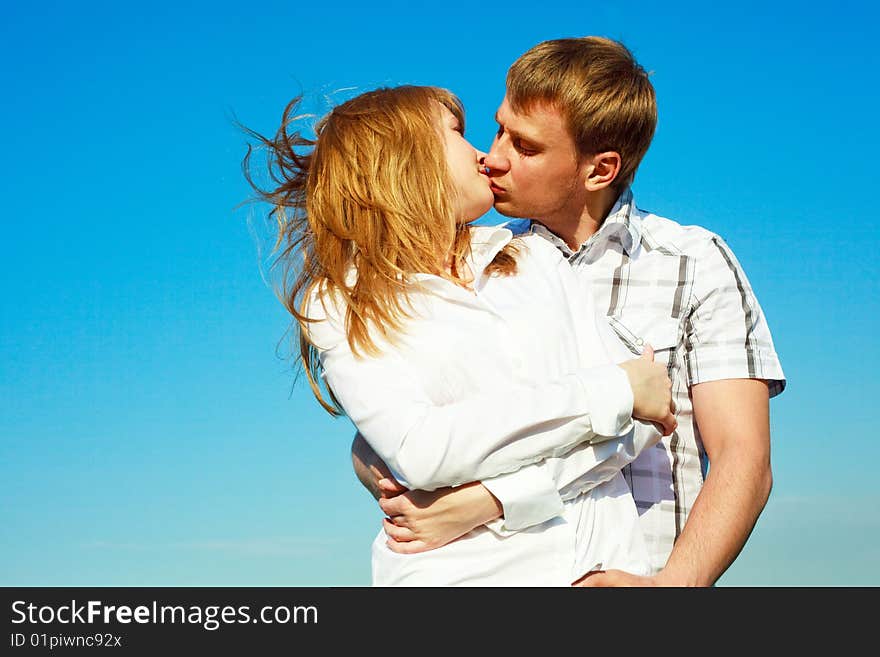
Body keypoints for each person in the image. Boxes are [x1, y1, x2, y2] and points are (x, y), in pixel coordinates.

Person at [352, 37, 786, 586]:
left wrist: (672, 592)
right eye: (499, 128)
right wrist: (374, 464)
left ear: (599, 170)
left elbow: (742, 458)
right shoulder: (460, 266)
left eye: (527, 147)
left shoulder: (693, 262)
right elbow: (402, 431)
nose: (496, 156)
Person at [244, 84, 677, 585]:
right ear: (404, 161)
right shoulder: (342, 302)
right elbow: (423, 451)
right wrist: (613, 391)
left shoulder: (536, 259)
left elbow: (642, 424)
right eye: (457, 134)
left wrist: (487, 499)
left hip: (605, 570)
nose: (485, 157)